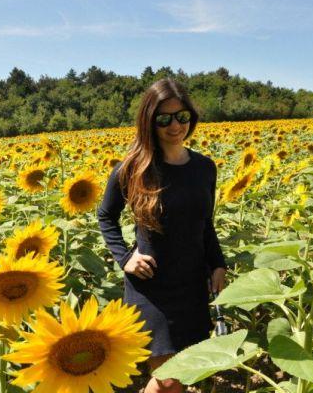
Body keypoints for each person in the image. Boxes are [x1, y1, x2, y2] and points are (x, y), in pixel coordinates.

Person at [97, 77, 228, 393]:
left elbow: (204, 223)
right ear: (149, 121)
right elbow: (105, 215)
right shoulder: (133, 168)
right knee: (169, 378)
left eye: (182, 117)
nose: (175, 126)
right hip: (152, 288)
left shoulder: (204, 168)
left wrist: (218, 263)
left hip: (192, 285)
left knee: (180, 377)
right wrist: (125, 258)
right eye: (164, 118)